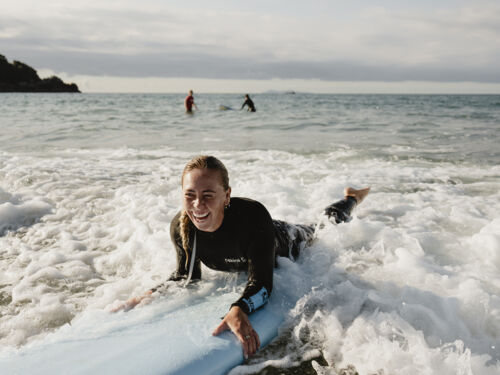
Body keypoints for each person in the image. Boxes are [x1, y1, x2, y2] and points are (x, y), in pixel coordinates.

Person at [112, 155, 370, 358]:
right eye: (189, 195)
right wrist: (148, 295)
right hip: (262, 236)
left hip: (283, 238)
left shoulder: (252, 218)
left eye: (208, 195)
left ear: (227, 196)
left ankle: (350, 198)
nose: (198, 205)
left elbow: (262, 282)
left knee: (323, 226)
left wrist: (239, 307)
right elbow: (185, 277)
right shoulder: (183, 229)